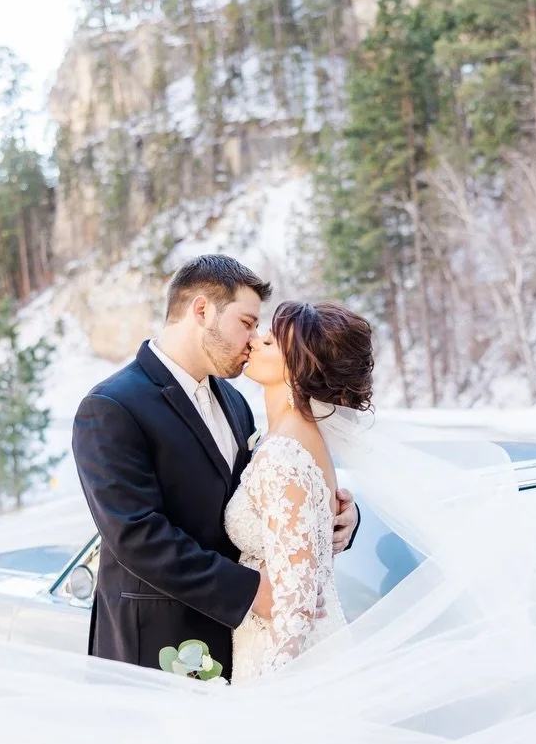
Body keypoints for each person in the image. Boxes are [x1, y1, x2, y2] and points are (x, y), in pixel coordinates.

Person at [70, 254, 360, 682]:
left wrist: (337, 518)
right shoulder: (112, 407)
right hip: (157, 647)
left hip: (242, 646)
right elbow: (136, 534)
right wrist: (250, 592)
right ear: (202, 310)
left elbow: (265, 503)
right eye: (246, 322)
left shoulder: (235, 403)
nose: (253, 339)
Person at [228, 300, 373, 682]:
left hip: (282, 661)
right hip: (278, 644)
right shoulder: (295, 440)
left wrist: (270, 695)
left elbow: (296, 605)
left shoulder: (283, 454)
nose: (255, 341)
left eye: (270, 342)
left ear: (298, 369)